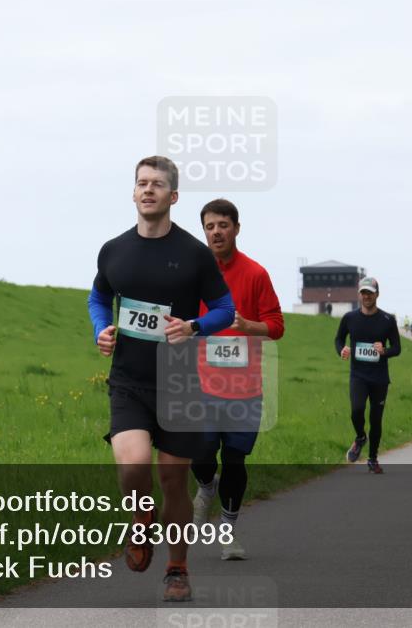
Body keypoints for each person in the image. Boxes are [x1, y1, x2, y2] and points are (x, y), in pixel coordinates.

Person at [88, 156, 236, 602]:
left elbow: (225, 309)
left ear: (172, 196)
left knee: (173, 480)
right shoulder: (114, 249)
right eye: (141, 183)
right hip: (129, 379)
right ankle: (141, 519)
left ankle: (177, 568)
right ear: (134, 193)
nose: (148, 190)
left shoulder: (194, 253)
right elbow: (99, 296)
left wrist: (193, 327)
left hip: (179, 382)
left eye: (157, 184)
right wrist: (101, 328)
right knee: (132, 466)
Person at [190, 199, 284, 562]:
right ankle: (204, 487)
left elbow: (276, 326)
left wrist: (249, 326)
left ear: (237, 229)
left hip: (245, 390)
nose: (216, 231)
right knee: (200, 457)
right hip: (201, 384)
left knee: (234, 462)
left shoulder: (256, 274)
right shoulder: (193, 274)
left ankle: (227, 532)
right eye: (210, 226)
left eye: (223, 225)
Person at [335, 277, 402, 474]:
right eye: (363, 293)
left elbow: (397, 348)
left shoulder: (388, 320)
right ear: (359, 294)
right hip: (358, 375)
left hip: (379, 377)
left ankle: (372, 458)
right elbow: (338, 339)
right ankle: (360, 437)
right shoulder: (350, 318)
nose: (366, 296)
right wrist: (342, 350)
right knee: (356, 410)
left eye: (370, 293)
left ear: (377, 295)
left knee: (376, 419)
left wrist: (385, 351)